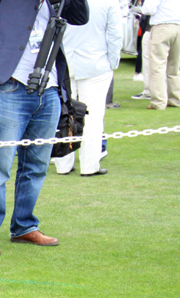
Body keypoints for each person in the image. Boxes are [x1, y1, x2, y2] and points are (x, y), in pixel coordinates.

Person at [0, 0, 89, 256]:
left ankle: (24, 226)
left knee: (36, 165)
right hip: (11, 85)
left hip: (49, 89)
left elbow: (81, 15)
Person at [54, 0, 122, 176]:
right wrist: (113, 62)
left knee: (64, 112)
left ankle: (63, 163)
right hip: (95, 63)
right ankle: (89, 165)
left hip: (67, 61)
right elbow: (115, 35)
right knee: (93, 116)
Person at [142, 0, 180, 109]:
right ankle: (175, 99)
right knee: (175, 66)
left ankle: (159, 101)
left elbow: (148, 9)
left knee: (157, 66)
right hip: (178, 25)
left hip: (162, 26)